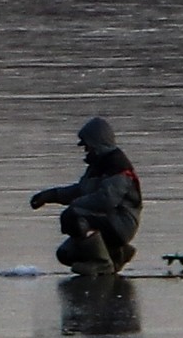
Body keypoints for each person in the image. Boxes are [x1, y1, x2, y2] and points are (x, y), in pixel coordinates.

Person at [30, 116, 142, 275]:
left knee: (72, 217)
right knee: (66, 254)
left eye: (87, 146)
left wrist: (76, 205)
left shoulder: (117, 166)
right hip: (109, 221)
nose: (85, 150)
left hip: (122, 223)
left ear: (96, 144)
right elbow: (81, 190)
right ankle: (117, 253)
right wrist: (50, 195)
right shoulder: (98, 165)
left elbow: (106, 200)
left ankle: (102, 262)